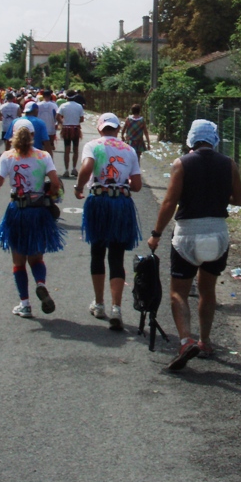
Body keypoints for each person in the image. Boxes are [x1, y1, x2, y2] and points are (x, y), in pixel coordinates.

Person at [147, 119, 241, 371]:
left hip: (188, 234)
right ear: (214, 139)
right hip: (217, 234)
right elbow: (239, 198)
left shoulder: (182, 163)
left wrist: (156, 234)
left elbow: (169, 202)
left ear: (191, 139)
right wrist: (217, 194)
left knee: (178, 291)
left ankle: (185, 340)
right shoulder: (229, 164)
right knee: (207, 290)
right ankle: (205, 341)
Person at [74, 113, 142, 330]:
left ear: (100, 127)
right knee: (117, 257)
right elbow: (138, 185)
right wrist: (125, 181)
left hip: (99, 201)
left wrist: (78, 187)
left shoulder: (93, 145)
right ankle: (117, 308)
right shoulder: (129, 149)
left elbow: (86, 168)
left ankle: (99, 304)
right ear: (118, 128)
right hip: (121, 203)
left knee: (97, 252)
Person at [0, 119, 64, 318]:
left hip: (17, 210)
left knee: (18, 260)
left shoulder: (8, 156)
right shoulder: (43, 155)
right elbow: (56, 183)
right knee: (36, 257)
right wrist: (48, 193)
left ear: (13, 136)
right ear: (34, 136)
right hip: (38, 210)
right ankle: (40, 283)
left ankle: (25, 304)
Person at [56, 93, 85, 178]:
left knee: (67, 149)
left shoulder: (63, 105)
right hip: (75, 128)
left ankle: (66, 170)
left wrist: (63, 122)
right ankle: (74, 168)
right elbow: (82, 119)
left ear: (67, 97)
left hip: (66, 128)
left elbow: (57, 116)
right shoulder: (79, 106)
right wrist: (76, 121)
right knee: (75, 149)